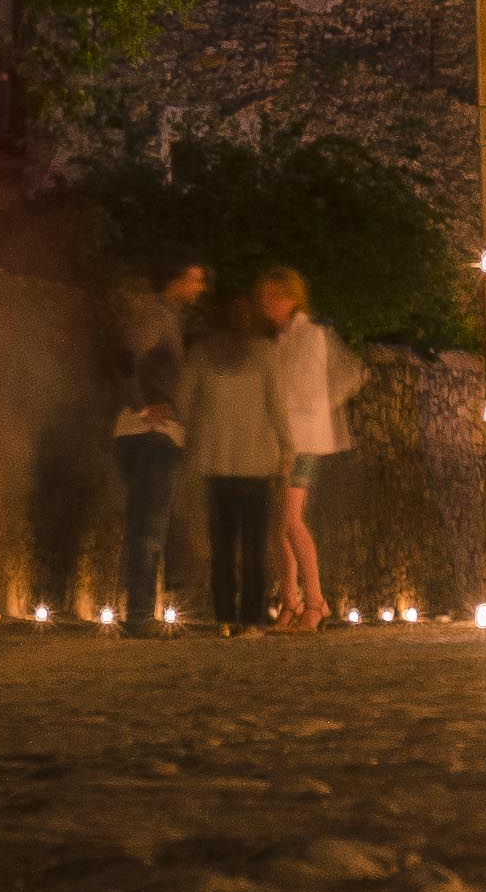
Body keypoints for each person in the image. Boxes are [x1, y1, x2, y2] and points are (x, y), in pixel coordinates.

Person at [178, 275, 293, 631]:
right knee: (255, 546)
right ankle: (252, 618)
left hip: (216, 464)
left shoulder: (201, 354)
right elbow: (276, 407)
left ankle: (225, 617)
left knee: (223, 545)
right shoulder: (264, 353)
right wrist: (288, 448)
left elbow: (183, 403)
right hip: (257, 466)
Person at [105, 263, 207, 635]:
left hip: (153, 433)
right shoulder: (156, 314)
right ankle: (139, 616)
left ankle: (140, 611)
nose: (201, 287)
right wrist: (142, 406)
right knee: (148, 526)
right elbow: (124, 356)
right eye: (195, 278)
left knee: (148, 524)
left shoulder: (167, 316)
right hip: (150, 434)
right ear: (175, 277)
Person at [263, 269, 349, 633]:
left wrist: (288, 441)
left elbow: (302, 393)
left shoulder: (308, 336)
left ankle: (314, 602)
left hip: (300, 442)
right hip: (280, 440)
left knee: (291, 522)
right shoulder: (281, 339)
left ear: (292, 298)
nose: (268, 304)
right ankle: (290, 602)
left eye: (276, 296)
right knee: (277, 528)